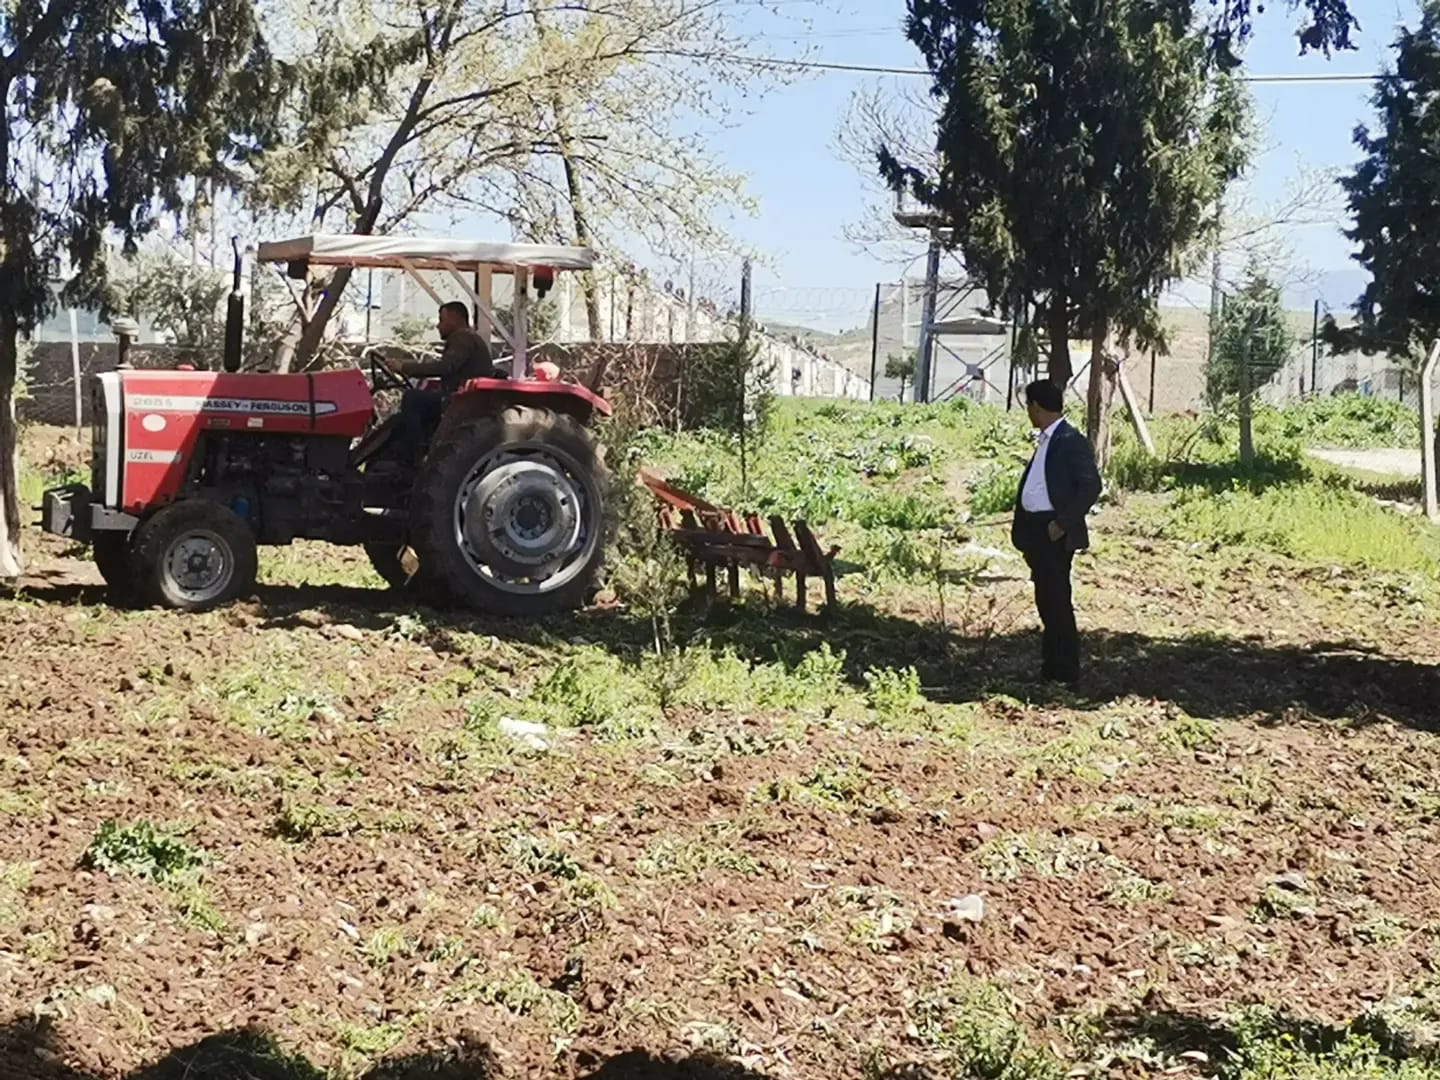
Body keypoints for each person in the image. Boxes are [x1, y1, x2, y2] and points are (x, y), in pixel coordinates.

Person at [1011, 379, 1102, 687]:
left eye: (1029, 407)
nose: (1028, 413)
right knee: (1047, 601)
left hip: (1053, 532)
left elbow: (1091, 486)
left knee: (1057, 602)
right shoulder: (1048, 440)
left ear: (1036, 406)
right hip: (1037, 531)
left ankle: (1065, 674)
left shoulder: (1069, 440)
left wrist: (1061, 523)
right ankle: (1051, 670)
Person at [385, 301, 496, 463]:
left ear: (454, 319)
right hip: (462, 397)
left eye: (441, 320)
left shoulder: (462, 338)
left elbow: (446, 367)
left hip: (461, 401)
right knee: (422, 397)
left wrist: (404, 367)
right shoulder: (470, 339)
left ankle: (410, 454)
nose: (438, 326)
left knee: (412, 398)